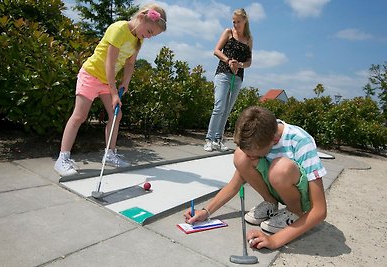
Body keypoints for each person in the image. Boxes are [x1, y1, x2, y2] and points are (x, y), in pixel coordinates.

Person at [185, 106, 327, 250]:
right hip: (277, 185)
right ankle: (270, 203)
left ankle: (294, 212)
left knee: (280, 168)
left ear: (275, 139)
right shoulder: (261, 133)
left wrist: (274, 241)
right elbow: (235, 184)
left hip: (299, 196)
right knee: (240, 156)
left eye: (256, 154)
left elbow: (320, 210)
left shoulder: (301, 141)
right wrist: (206, 211)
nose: (252, 158)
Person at [54, 4, 167, 176]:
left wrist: (125, 83)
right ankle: (62, 158)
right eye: (150, 31)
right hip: (91, 75)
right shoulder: (118, 29)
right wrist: (114, 93)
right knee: (79, 116)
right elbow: (110, 63)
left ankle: (109, 154)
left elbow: (130, 63)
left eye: (153, 35)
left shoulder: (139, 38)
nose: (150, 37)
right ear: (142, 17)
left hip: (108, 81)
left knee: (116, 115)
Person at [204, 8, 253, 152]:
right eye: (234, 21)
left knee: (227, 109)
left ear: (245, 21)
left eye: (238, 21)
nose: (236, 24)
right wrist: (229, 61)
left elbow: (249, 61)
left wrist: (240, 65)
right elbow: (216, 51)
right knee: (219, 106)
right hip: (223, 74)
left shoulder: (249, 39)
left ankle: (218, 140)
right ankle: (209, 139)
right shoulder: (228, 33)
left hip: (237, 77)